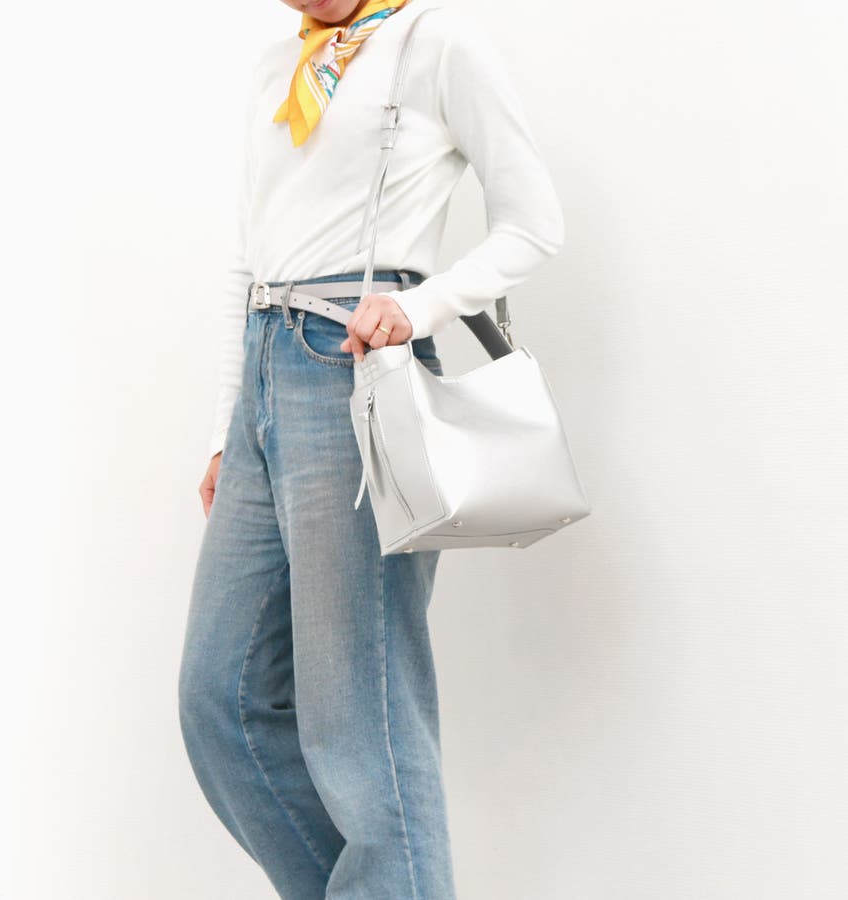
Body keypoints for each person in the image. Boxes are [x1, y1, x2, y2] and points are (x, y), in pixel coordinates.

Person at [177, 0, 565, 897]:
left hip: (353, 369)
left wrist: (421, 307)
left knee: (359, 716)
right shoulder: (277, 68)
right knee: (219, 700)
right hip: (265, 375)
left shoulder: (437, 42)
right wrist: (228, 429)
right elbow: (247, 259)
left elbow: (534, 221)